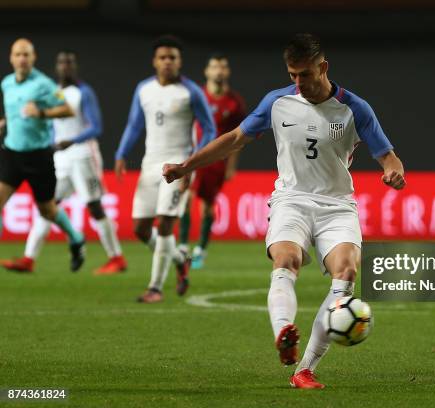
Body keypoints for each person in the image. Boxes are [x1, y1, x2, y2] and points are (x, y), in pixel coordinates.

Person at [162, 33, 405, 388]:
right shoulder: (276, 102)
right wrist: (186, 167)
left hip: (337, 206)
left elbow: (388, 155)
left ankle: (304, 369)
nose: (298, 83)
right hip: (291, 199)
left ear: (323, 68)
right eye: (292, 74)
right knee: (286, 260)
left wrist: (393, 171)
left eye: (305, 74)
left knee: (347, 273)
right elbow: (233, 139)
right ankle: (284, 332)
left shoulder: (355, 108)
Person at [1, 50, 126, 274]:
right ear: (56, 66)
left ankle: (116, 258)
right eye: (61, 63)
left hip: (83, 155)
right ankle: (29, 259)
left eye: (69, 63)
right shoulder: (53, 92)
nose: (65, 67)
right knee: (47, 206)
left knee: (94, 206)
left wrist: (72, 140)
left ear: (75, 66)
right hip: (60, 157)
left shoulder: (83, 92)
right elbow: (47, 125)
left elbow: (96, 126)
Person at [115, 35, 216, 303]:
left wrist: (190, 165)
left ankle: (155, 288)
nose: (167, 62)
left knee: (165, 227)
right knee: (140, 229)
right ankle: (179, 260)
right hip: (150, 165)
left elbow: (209, 129)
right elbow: (134, 125)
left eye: (172, 57)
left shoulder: (191, 91)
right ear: (155, 61)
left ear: (179, 61)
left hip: (177, 168)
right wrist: (122, 152)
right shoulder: (144, 89)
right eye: (162, 57)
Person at [0, 39, 86, 272]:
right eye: (18, 54)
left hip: (39, 157)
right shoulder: (7, 83)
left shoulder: (44, 85)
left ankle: (76, 238)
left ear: (33, 57)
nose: (22, 59)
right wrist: (5, 123)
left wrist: (41, 112)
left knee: (47, 210)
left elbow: (67, 110)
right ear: (11, 57)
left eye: (26, 54)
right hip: (12, 154)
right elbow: (14, 113)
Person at [178, 53, 246, 269]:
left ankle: (200, 250)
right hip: (194, 155)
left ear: (227, 72)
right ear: (207, 71)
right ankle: (182, 247)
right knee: (186, 198)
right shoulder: (196, 96)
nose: (218, 71)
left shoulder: (234, 103)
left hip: (217, 160)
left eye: (222, 67)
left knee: (207, 207)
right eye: (215, 67)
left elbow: (239, 136)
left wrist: (231, 165)